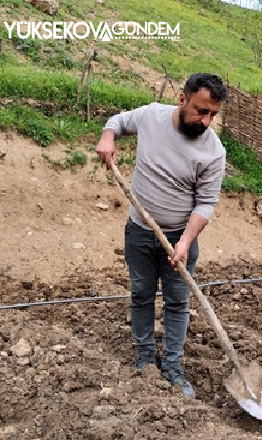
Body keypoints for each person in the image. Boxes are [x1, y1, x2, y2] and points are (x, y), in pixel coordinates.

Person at [95, 73, 228, 398]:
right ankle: (144, 358)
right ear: (182, 99)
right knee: (141, 293)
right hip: (139, 232)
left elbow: (206, 202)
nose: (207, 121)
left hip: (181, 238)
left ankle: (172, 366)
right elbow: (118, 121)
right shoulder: (152, 116)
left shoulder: (214, 151)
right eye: (201, 111)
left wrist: (185, 241)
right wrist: (108, 136)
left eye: (213, 114)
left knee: (177, 302)